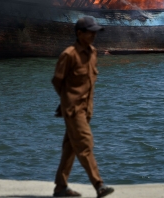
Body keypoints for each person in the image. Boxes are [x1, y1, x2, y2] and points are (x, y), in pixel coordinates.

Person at [51, 16, 114, 198]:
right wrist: (66, 100)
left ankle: (60, 188)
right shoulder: (69, 55)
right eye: (90, 32)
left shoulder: (93, 53)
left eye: (96, 32)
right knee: (85, 143)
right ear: (79, 34)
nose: (94, 35)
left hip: (87, 109)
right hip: (73, 109)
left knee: (71, 147)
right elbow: (57, 81)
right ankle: (99, 185)